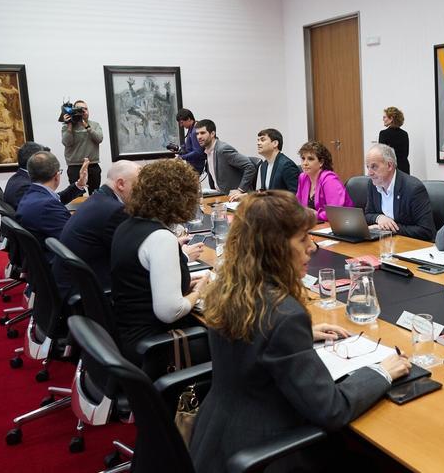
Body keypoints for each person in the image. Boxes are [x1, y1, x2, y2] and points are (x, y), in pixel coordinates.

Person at [189, 190, 411, 472]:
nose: (312, 248)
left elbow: (253, 343)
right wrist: (381, 372)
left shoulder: (229, 289)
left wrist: (301, 335)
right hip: (270, 454)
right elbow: (331, 409)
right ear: (276, 246)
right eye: (303, 238)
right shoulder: (284, 315)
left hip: (216, 440)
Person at [110, 159, 208, 366]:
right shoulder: (161, 238)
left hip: (128, 337)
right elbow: (170, 312)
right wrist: (198, 292)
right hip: (157, 347)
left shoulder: (127, 226)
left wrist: (183, 284)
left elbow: (141, 283)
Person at [52, 160, 141, 299]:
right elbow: (134, 256)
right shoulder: (114, 211)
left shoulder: (98, 199)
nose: (141, 191)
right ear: (121, 184)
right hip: (88, 294)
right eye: (138, 185)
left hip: (70, 286)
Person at [15, 151, 89, 250]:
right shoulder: (48, 206)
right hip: (57, 256)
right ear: (57, 176)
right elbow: (73, 239)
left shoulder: (32, 194)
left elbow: (57, 198)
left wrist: (79, 184)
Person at [363, 144, 435, 241]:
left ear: (389, 165)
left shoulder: (413, 189)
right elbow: (368, 214)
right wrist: (379, 218)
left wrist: (387, 228)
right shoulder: (373, 184)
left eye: (374, 167)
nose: (369, 173)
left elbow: (426, 231)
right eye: (368, 167)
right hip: (385, 243)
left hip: (410, 245)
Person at [4, 141, 87, 209]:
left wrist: (79, 185)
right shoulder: (24, 187)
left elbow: (54, 199)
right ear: (33, 162)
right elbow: (46, 207)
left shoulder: (19, 178)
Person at [195, 119, 257, 200]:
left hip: (235, 199)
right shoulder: (208, 150)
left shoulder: (223, 149)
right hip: (221, 196)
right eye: (197, 134)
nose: (199, 137)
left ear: (212, 133)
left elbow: (250, 167)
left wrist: (240, 190)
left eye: (202, 133)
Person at [295, 141, 353, 221]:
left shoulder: (329, 179)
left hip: (341, 223)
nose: (305, 163)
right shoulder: (303, 178)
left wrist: (315, 215)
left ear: (321, 162)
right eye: (303, 158)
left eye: (310, 159)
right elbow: (298, 206)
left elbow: (335, 211)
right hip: (315, 223)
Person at [60, 100, 103, 194]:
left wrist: (87, 126)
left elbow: (99, 139)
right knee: (76, 195)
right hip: (74, 166)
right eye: (80, 109)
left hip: (92, 165)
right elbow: (67, 143)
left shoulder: (95, 125)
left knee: (95, 195)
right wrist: (69, 126)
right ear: (74, 111)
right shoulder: (67, 126)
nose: (83, 111)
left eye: (85, 109)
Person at [257, 128, 300, 193]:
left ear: (275, 143)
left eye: (262, 140)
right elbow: (265, 191)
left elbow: (295, 194)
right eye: (258, 140)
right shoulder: (263, 165)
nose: (258, 143)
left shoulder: (287, 165)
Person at [378, 106, 410, 174]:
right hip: (404, 168)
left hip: (390, 168)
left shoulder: (383, 134)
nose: (383, 119)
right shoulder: (404, 134)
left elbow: (382, 155)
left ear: (391, 118)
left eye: (384, 117)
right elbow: (406, 154)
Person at [175, 108, 205, 174]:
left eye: (182, 122)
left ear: (188, 119)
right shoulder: (192, 128)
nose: (181, 125)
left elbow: (197, 152)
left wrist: (182, 157)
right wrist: (179, 148)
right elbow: (190, 145)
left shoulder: (195, 131)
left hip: (196, 166)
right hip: (193, 164)